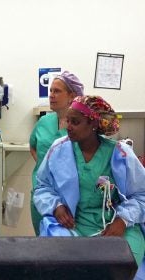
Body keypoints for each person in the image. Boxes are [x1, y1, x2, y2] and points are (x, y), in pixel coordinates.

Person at [33, 95, 145, 266]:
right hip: (72, 224)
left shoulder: (121, 154)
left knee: (122, 264)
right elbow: (42, 187)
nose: (68, 127)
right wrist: (56, 206)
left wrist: (123, 220)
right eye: (67, 121)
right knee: (64, 264)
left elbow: (141, 195)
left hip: (114, 225)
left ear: (93, 124)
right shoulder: (58, 149)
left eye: (75, 122)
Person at [29, 71, 84, 235]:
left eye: (57, 91)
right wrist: (46, 167)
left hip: (69, 200)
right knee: (42, 240)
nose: (51, 95)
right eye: (50, 91)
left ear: (72, 95)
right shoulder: (44, 121)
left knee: (64, 249)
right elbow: (33, 146)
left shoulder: (81, 126)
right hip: (41, 194)